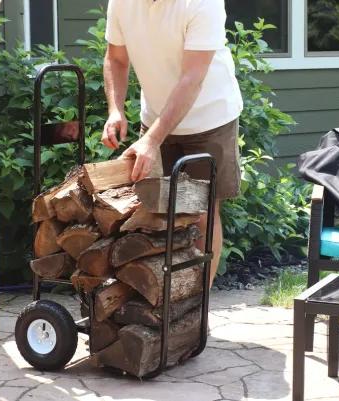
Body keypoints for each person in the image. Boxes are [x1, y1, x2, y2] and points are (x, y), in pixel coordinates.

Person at [102, 0, 243, 286]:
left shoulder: (203, 3)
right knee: (151, 209)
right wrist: (115, 109)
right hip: (155, 116)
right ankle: (158, 302)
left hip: (209, 119)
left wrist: (151, 140)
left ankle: (196, 308)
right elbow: (116, 58)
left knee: (201, 212)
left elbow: (192, 77)